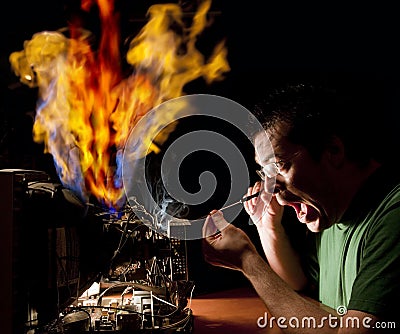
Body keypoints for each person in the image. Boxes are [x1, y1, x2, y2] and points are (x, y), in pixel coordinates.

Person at [202, 80, 400, 332]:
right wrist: (267, 227)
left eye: (278, 167)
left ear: (333, 150)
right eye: (265, 174)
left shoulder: (393, 216)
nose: (271, 187)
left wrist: (248, 261)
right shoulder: (331, 210)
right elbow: (295, 286)